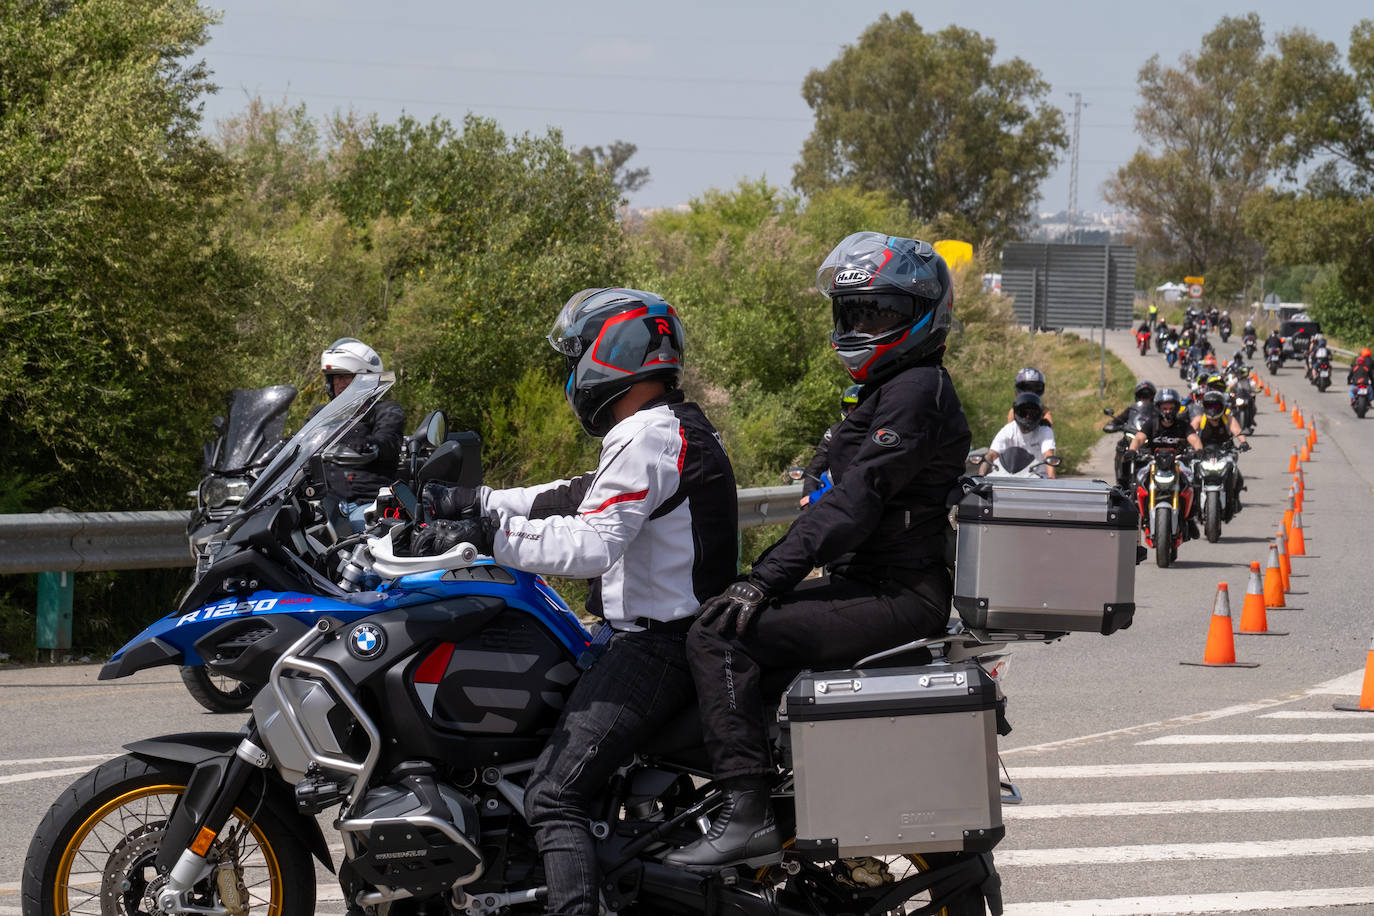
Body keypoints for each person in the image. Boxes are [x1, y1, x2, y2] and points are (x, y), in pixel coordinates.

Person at [421, 287, 738, 916]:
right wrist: (475, 503)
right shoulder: (664, 428)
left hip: (658, 648)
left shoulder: (648, 436)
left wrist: (487, 537)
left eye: (576, 356)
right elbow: (574, 496)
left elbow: (592, 542)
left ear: (614, 353)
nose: (571, 373)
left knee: (552, 795)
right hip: (647, 635)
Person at [665, 232, 970, 872]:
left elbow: (854, 503)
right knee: (724, 626)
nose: (860, 324)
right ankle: (769, 794)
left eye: (877, 312)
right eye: (852, 312)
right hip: (867, 584)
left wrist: (765, 579)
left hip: (897, 594)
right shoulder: (884, 389)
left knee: (721, 635)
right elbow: (827, 486)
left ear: (920, 315)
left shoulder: (917, 391)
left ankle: (744, 811)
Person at [314, 337, 405, 530]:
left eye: (346, 376)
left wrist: (366, 445)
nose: (340, 383)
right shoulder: (320, 416)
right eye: (336, 377)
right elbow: (300, 443)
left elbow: (388, 440)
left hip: (367, 504)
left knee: (365, 534)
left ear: (365, 378)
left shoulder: (385, 410)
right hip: (324, 503)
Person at [1128, 387, 1204, 538]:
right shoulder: (1151, 423)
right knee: (1137, 482)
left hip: (1177, 462)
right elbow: (1139, 438)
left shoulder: (1182, 424)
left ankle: (1189, 519)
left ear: (1176, 408)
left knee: (1193, 482)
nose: (1168, 411)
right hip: (1154, 463)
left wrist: (1199, 449)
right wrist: (1132, 450)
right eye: (1165, 408)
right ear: (1158, 408)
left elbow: (1193, 438)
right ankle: (1138, 516)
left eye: (1171, 408)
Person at [799, 384, 862, 506]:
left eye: (860, 408)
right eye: (852, 409)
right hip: (837, 494)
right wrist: (808, 495)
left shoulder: (878, 431)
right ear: (845, 410)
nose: (856, 413)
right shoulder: (834, 432)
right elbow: (816, 465)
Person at [1191, 389, 1249, 514]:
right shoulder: (1200, 419)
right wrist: (1183, 445)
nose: (1212, 409)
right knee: (1191, 476)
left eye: (1216, 405)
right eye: (1209, 406)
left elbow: (1237, 431)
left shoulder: (1228, 419)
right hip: (1203, 454)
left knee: (1237, 476)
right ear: (1205, 407)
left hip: (1224, 453)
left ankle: (1235, 498)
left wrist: (1243, 442)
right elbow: (1188, 433)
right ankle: (1193, 503)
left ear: (1222, 406)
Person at [980, 392, 1057, 477]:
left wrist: (1051, 480)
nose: (1028, 417)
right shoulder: (1009, 429)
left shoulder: (1045, 431)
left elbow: (1048, 456)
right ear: (1016, 413)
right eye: (1024, 413)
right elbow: (992, 454)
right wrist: (981, 476)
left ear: (1039, 414)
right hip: (1007, 476)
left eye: (1032, 414)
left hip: (1036, 478)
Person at [1107, 380, 1157, 489]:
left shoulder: (1157, 411)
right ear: (1137, 397)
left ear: (1152, 397)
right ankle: (1122, 481)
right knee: (1122, 445)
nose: (1145, 398)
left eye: (1147, 396)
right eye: (1142, 396)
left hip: (1149, 440)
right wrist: (1113, 425)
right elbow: (1118, 420)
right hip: (1132, 436)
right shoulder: (1132, 409)